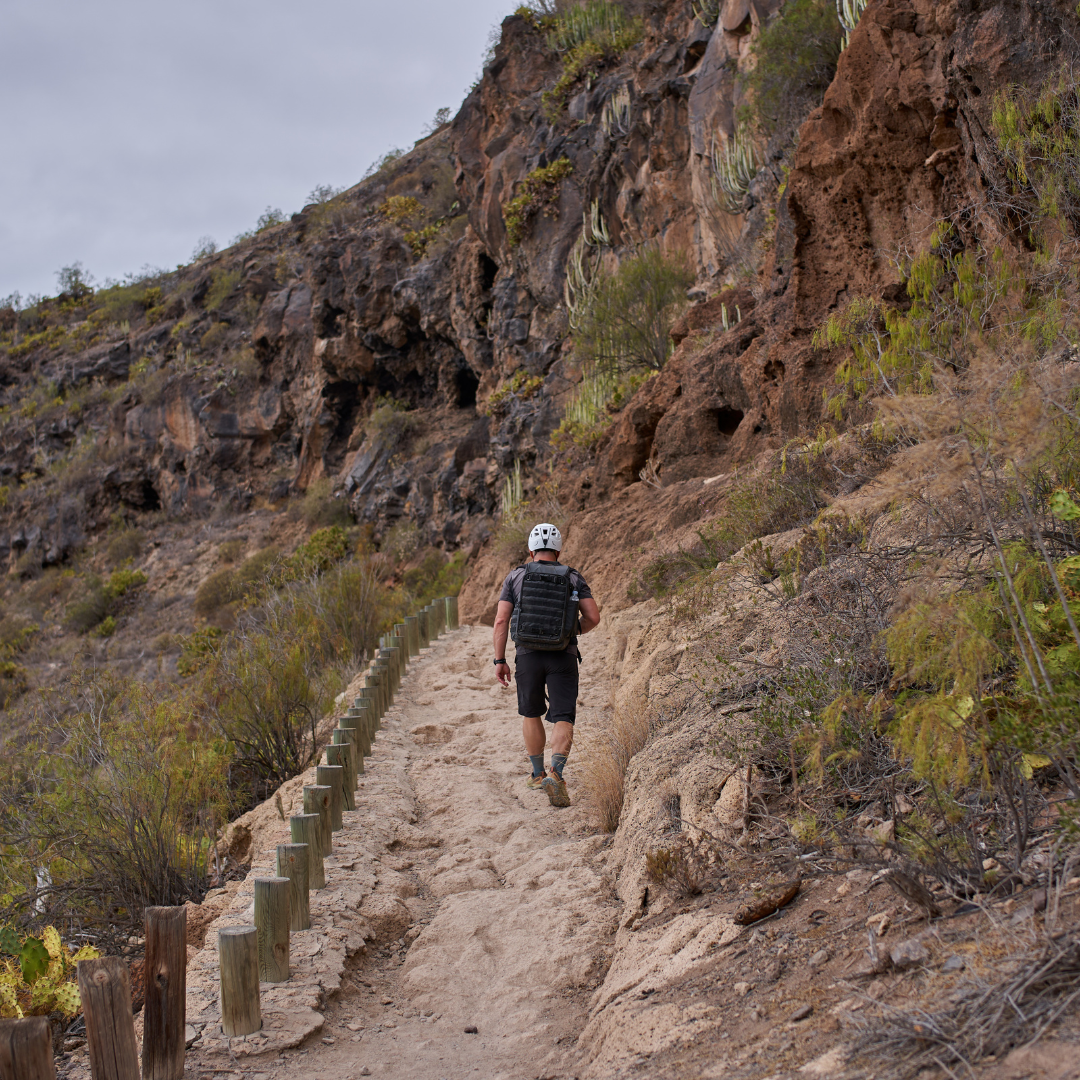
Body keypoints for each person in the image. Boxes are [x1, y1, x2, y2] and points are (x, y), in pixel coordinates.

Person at [493, 523, 601, 807]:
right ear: (559, 550)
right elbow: (593, 617)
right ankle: (557, 772)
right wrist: (571, 631)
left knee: (531, 713)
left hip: (527, 655)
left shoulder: (515, 576)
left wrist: (500, 660)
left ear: (531, 551)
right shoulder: (573, 577)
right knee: (563, 716)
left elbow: (502, 621)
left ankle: (538, 773)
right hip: (563, 655)